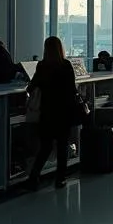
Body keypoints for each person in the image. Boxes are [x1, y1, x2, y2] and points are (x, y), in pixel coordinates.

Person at [26, 35, 78, 190]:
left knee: (45, 146)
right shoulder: (66, 65)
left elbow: (32, 86)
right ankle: (60, 179)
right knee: (62, 146)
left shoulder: (42, 66)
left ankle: (34, 176)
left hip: (47, 111)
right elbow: (72, 89)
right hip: (64, 112)